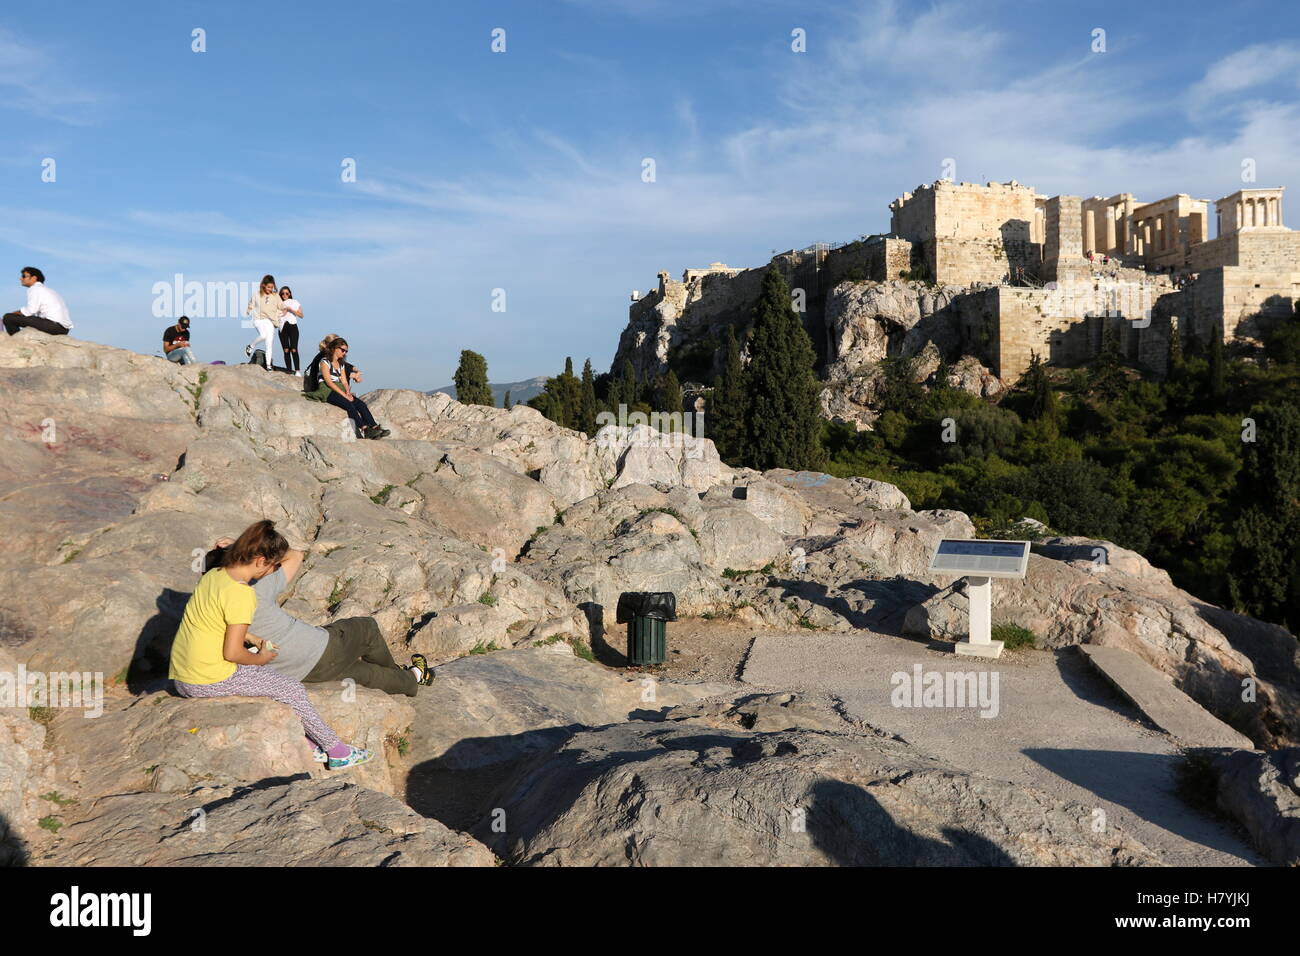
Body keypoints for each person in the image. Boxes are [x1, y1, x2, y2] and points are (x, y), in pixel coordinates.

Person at [169, 520, 372, 770]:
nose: (274, 570)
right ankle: (337, 751)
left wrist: (254, 641)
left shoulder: (214, 575)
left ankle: (307, 743)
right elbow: (232, 652)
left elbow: (216, 623)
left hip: (182, 675)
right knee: (290, 688)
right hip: (207, 679)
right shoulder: (242, 594)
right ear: (260, 561)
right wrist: (261, 658)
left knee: (271, 685)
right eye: (273, 565)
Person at [204, 537, 432, 695]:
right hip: (322, 649)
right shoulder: (254, 591)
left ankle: (412, 679)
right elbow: (295, 555)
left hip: (302, 671)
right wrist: (244, 545)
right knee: (366, 628)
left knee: (361, 673)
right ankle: (399, 672)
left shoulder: (206, 607)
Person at [306, 334, 390, 439]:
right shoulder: (324, 362)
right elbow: (329, 382)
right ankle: (365, 429)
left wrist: (348, 392)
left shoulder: (341, 363)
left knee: (361, 404)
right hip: (327, 389)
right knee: (348, 405)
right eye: (342, 350)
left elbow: (344, 381)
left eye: (346, 351)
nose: (344, 353)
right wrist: (344, 396)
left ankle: (375, 427)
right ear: (334, 348)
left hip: (339, 388)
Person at [4, 266, 72, 337]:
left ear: (34, 278)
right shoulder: (48, 290)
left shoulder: (35, 288)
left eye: (24, 276)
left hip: (54, 326)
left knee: (8, 318)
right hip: (63, 329)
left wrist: (13, 314)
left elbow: (30, 310)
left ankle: (16, 341)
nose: (21, 278)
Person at [244, 274, 279, 370]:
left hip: (269, 321)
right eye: (268, 287)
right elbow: (251, 303)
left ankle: (268, 366)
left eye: (272, 287)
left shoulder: (275, 295)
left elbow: (281, 306)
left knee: (269, 343)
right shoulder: (257, 294)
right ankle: (251, 346)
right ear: (263, 285)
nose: (270, 289)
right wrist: (249, 309)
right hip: (258, 319)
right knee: (263, 336)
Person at [277, 285, 303, 375]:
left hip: (292, 327)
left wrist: (290, 309)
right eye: (283, 293)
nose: (285, 295)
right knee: (286, 350)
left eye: (287, 293)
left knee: (294, 349)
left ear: (290, 294)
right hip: (282, 327)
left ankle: (297, 370)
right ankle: (289, 370)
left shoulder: (294, 302)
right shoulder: (278, 303)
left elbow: (301, 315)